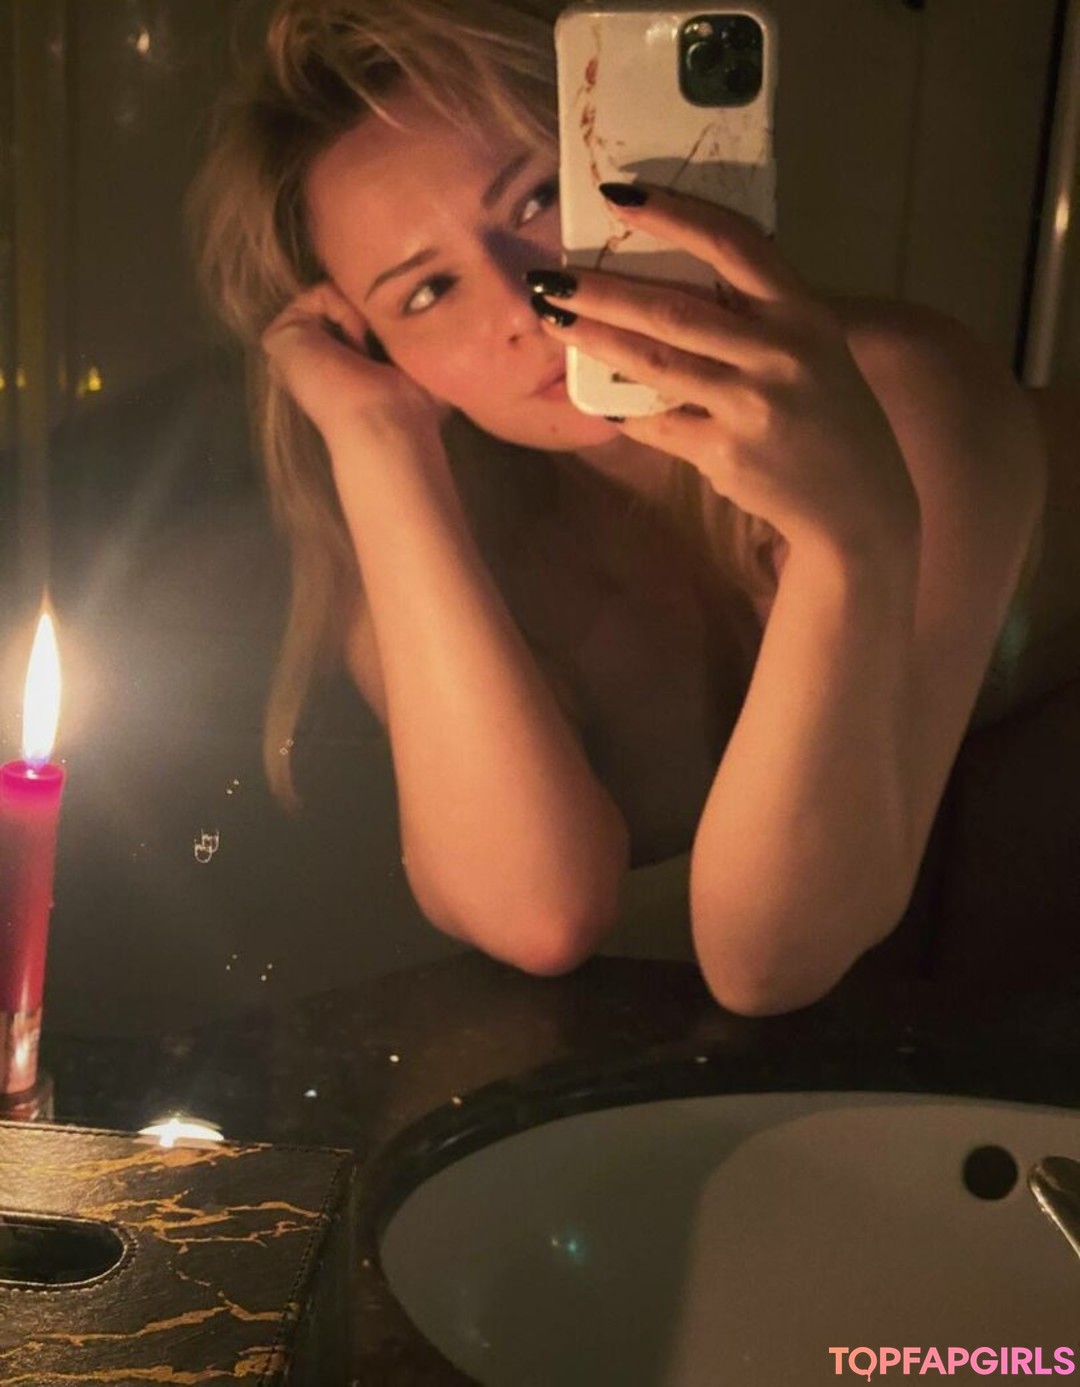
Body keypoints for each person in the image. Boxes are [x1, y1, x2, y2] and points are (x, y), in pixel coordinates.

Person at [189, 0, 1062, 1016]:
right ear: (377, 351)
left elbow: (771, 959)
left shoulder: (901, 400)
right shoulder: (441, 519)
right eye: (426, 293)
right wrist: (378, 443)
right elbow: (537, 912)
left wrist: (851, 543)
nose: (522, 305)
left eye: (537, 199)